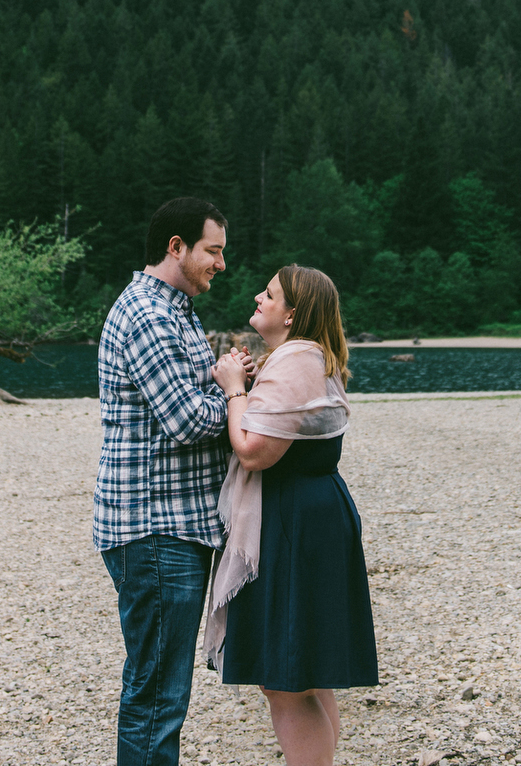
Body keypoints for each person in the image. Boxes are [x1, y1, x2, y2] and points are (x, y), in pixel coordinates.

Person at [93, 196, 252, 766]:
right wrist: (235, 395)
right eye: (213, 250)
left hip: (170, 526)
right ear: (176, 247)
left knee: (161, 687)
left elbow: (186, 396)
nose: (222, 264)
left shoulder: (175, 310)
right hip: (156, 529)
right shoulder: (149, 314)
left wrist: (227, 380)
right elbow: (184, 420)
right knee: (157, 693)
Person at [207, 266, 378, 766]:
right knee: (308, 673)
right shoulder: (306, 357)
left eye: (270, 293)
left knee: (286, 681)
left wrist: (235, 389)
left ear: (292, 314)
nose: (258, 297)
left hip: (292, 523)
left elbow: (253, 452)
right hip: (311, 515)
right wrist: (249, 382)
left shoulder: (295, 360)